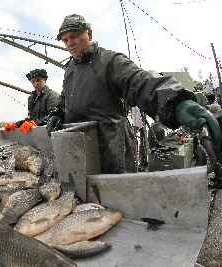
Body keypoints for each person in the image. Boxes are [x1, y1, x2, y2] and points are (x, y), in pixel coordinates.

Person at [47, 14, 221, 174]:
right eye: (65, 39)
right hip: (79, 145)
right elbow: (66, 99)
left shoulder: (110, 61)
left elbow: (140, 82)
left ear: (89, 34)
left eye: (75, 36)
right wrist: (58, 113)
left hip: (110, 145)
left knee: (116, 197)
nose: (70, 42)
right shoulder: (70, 70)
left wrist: (175, 102)